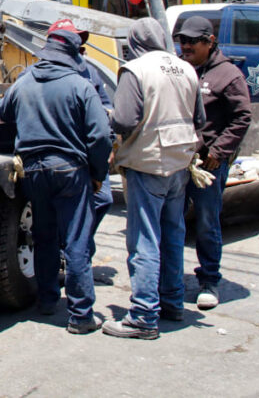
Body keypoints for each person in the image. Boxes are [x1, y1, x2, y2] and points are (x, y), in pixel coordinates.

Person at [0, 25, 111, 334]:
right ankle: (80, 314)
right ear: (72, 54)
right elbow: (100, 136)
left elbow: (3, 111)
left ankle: (47, 300)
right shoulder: (80, 84)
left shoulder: (25, 81)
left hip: (33, 170)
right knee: (76, 241)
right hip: (70, 170)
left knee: (44, 237)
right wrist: (98, 174)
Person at [103, 18, 204, 340]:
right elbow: (199, 118)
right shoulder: (186, 68)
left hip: (148, 164)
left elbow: (123, 119)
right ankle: (172, 302)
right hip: (180, 162)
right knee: (173, 236)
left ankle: (144, 315)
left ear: (134, 41)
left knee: (144, 241)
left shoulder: (136, 69)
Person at [174, 15, 252, 310]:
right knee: (171, 220)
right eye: (183, 40)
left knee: (207, 223)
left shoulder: (228, 75)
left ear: (210, 42)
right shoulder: (178, 69)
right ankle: (169, 278)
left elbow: (242, 116)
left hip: (207, 166)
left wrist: (218, 152)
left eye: (193, 41)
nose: (187, 46)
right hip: (178, 162)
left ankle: (209, 280)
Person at [45, 19, 114, 267]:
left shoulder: (89, 71)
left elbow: (107, 106)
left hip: (91, 150)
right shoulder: (41, 71)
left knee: (103, 199)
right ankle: (74, 256)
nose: (79, 47)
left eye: (81, 42)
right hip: (64, 154)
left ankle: (77, 249)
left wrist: (108, 143)